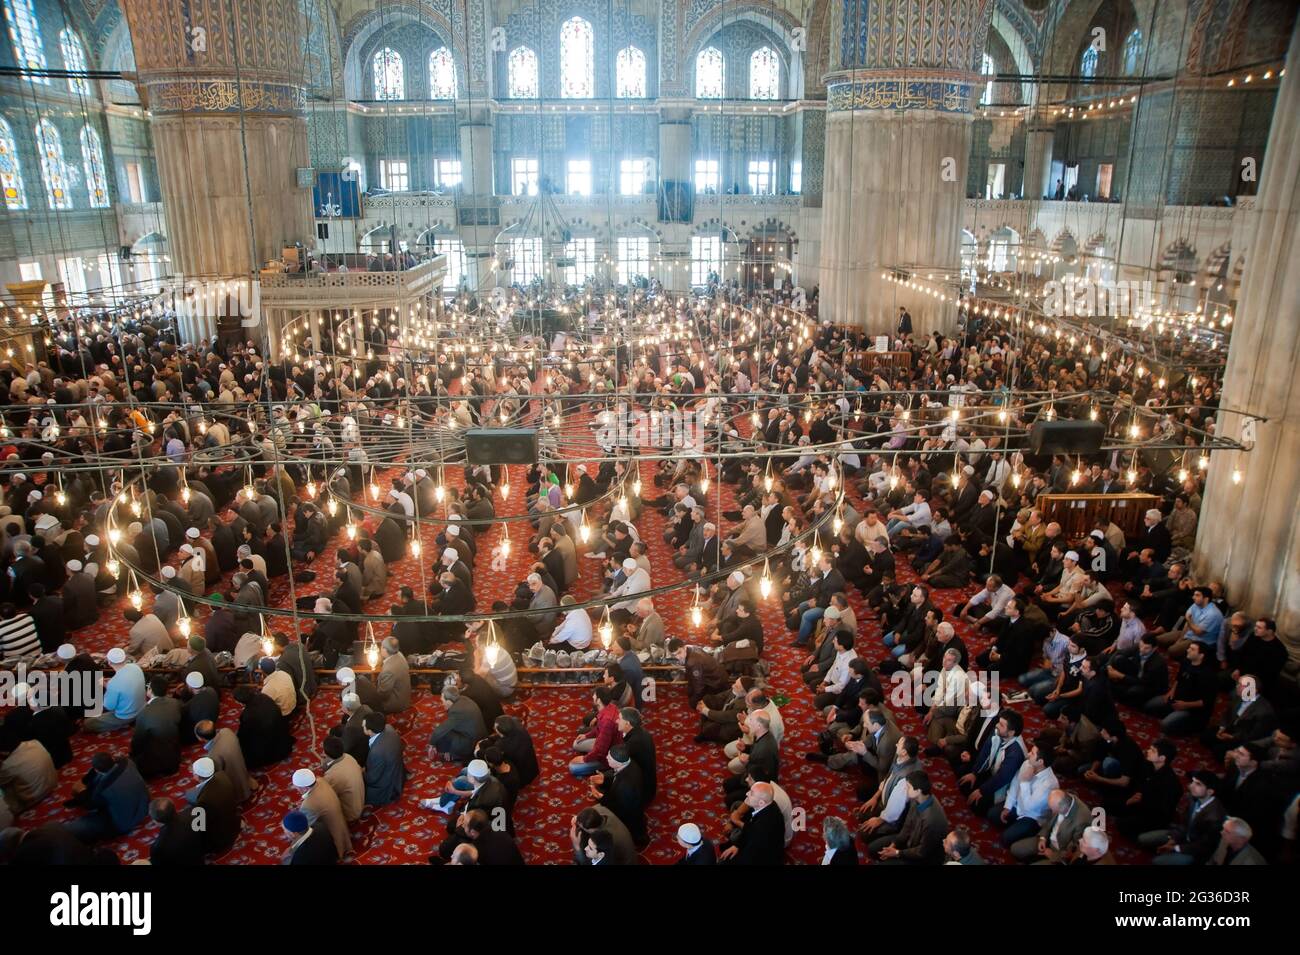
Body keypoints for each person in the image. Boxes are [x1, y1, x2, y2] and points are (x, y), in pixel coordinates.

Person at [65, 752, 150, 844]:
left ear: (97, 770)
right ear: (112, 759)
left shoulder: (104, 789)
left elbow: (89, 805)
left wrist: (81, 792)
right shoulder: (127, 762)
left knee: (73, 829)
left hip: (124, 822)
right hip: (144, 804)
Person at [719, 782, 784, 864]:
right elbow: (749, 827)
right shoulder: (765, 805)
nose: (747, 794)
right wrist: (737, 845)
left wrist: (738, 848)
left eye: (751, 794)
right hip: (755, 842)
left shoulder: (763, 827)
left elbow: (750, 855)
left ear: (761, 802)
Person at [83, 647, 145, 732]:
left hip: (125, 716)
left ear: (109, 662)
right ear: (125, 658)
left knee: (87, 723)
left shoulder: (114, 684)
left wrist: (107, 686)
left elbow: (109, 706)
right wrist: (110, 684)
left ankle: (123, 724)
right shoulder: (135, 667)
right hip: (141, 708)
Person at [428, 682, 486, 762]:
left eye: (442, 701)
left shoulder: (457, 711)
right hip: (475, 735)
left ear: (448, 701)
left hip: (471, 743)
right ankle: (450, 751)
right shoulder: (463, 699)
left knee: (442, 734)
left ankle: (455, 755)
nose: (442, 703)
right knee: (446, 729)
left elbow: (441, 730)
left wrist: (432, 744)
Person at [362, 712, 407, 807]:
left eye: (363, 726)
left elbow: (372, 779)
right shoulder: (389, 727)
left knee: (357, 793)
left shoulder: (377, 752)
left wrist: (362, 772)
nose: (362, 726)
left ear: (370, 731)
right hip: (397, 772)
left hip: (387, 787)